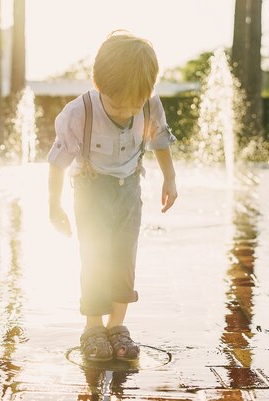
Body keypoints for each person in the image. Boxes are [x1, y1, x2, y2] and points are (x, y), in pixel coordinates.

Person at [47, 31, 178, 362]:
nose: (126, 112)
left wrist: (170, 179)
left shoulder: (149, 105)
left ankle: (117, 325)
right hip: (91, 191)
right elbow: (57, 164)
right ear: (99, 85)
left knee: (123, 257)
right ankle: (93, 325)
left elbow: (160, 141)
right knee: (94, 257)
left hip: (129, 190)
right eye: (119, 104)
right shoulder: (79, 113)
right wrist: (54, 206)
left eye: (134, 105)